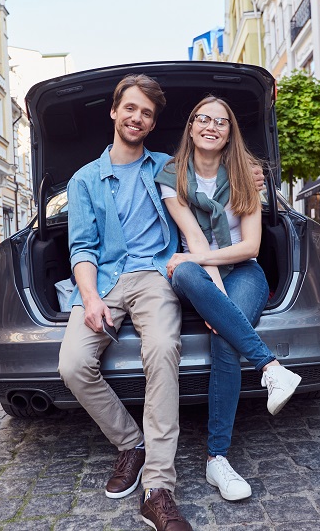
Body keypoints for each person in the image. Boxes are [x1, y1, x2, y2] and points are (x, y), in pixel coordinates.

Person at [57, 74, 193, 531]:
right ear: (115, 111)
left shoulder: (167, 166)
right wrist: (91, 298)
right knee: (73, 363)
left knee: (162, 351)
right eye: (130, 108)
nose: (137, 117)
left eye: (147, 113)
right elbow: (82, 248)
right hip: (105, 279)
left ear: (153, 124)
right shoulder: (84, 179)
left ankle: (158, 488)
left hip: (155, 274)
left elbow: (215, 180)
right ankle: (129, 442)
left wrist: (252, 175)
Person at [155, 96, 302, 502]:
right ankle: (271, 367)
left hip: (244, 270)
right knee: (182, 269)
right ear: (191, 125)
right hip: (199, 276)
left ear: (229, 132)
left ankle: (216, 459)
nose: (211, 126)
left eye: (221, 121)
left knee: (224, 339)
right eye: (203, 118)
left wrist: (219, 311)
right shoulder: (172, 174)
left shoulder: (245, 174)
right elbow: (196, 237)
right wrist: (216, 299)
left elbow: (251, 247)